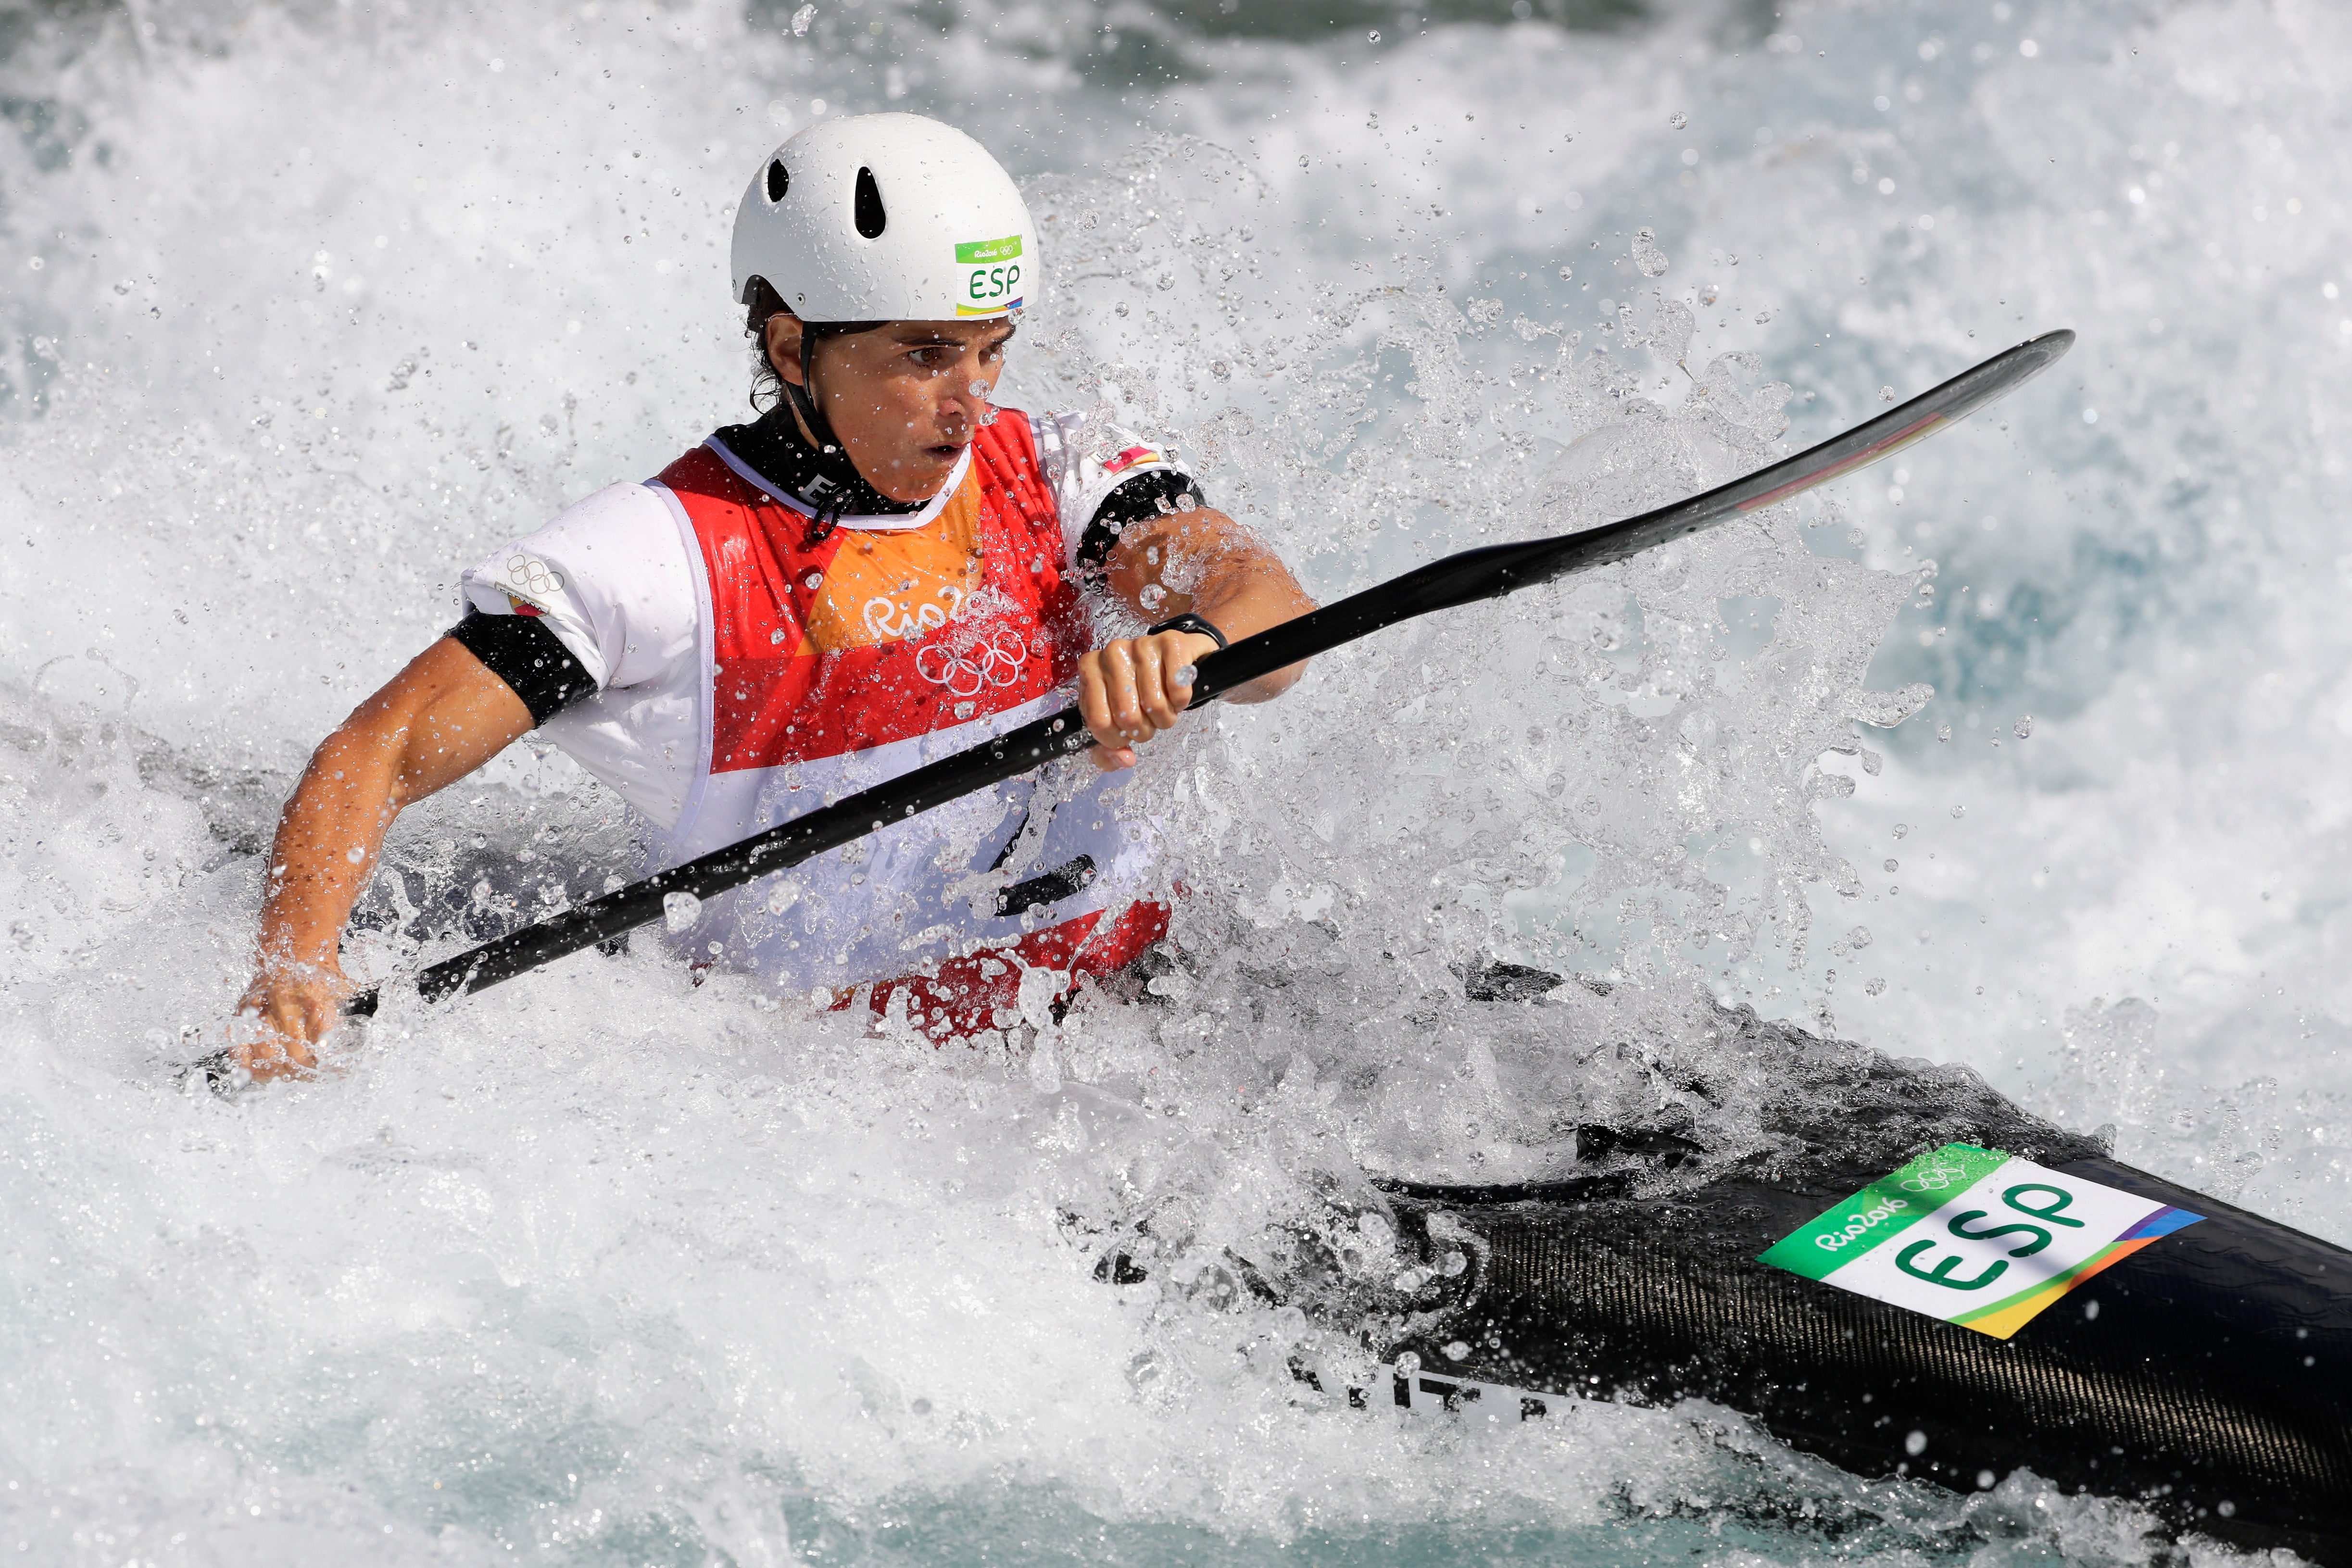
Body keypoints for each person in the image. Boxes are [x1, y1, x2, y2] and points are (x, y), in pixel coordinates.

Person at [230, 113, 1315, 1081]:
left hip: (1157, 1020)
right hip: (882, 1107)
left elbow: (1267, 620)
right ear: (792, 346)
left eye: (991, 351)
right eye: (926, 356)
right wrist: (295, 969)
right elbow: (373, 751)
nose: (971, 401)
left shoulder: (1058, 469)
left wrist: (1187, 641)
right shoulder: (657, 557)